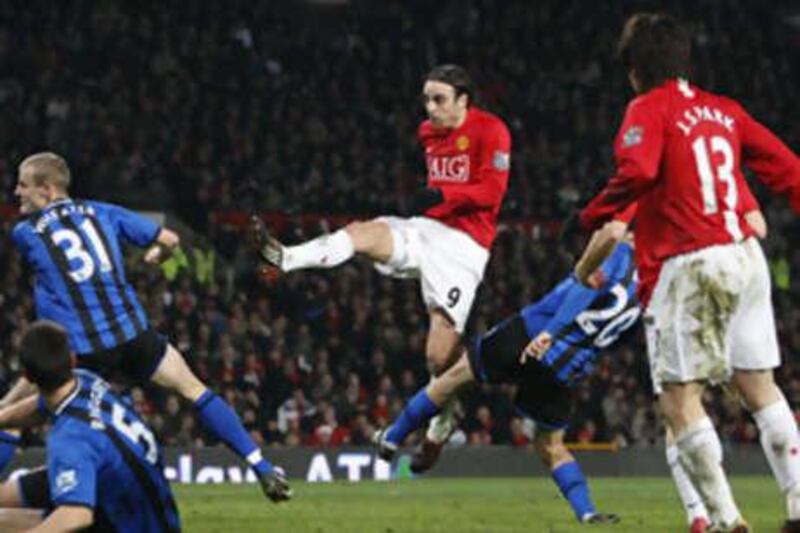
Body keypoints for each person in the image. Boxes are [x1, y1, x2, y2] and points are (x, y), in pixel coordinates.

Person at [577, 13, 800, 532]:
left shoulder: (648, 107)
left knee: (679, 403)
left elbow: (636, 171)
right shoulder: (725, 111)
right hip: (745, 258)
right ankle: (797, 506)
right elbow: (788, 168)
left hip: (690, 262)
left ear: (633, 68)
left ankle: (725, 522)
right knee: (761, 388)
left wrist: (590, 214)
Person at [250, 64, 511, 471]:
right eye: (426, 99)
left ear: (463, 100)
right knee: (363, 233)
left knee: (438, 358)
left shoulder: (491, 130)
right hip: (427, 229)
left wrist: (442, 193)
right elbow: (434, 199)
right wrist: (433, 202)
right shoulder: (428, 133)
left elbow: (493, 191)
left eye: (439, 99)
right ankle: (286, 256)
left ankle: (443, 417)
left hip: (465, 247)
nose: (430, 108)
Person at [5, 152, 290, 503]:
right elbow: (169, 240)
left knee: (18, 412)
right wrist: (156, 256)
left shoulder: (25, 232)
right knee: (194, 390)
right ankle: (262, 466)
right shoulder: (102, 211)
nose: (16, 191)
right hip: (133, 335)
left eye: (23, 184)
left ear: (47, 190)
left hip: (84, 352)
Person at [374, 221, 639, 524]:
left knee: (453, 378)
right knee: (551, 445)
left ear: (631, 232)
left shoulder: (618, 253)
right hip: (565, 368)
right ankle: (587, 512)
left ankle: (392, 438)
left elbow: (585, 287)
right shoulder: (646, 290)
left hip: (532, 330)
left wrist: (551, 332)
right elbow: (623, 339)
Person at [0, 320, 181, 532]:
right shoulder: (85, 381)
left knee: (9, 522)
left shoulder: (69, 438)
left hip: (128, 524)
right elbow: (40, 406)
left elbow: (76, 516)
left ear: (28, 377)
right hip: (133, 496)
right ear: (72, 359)